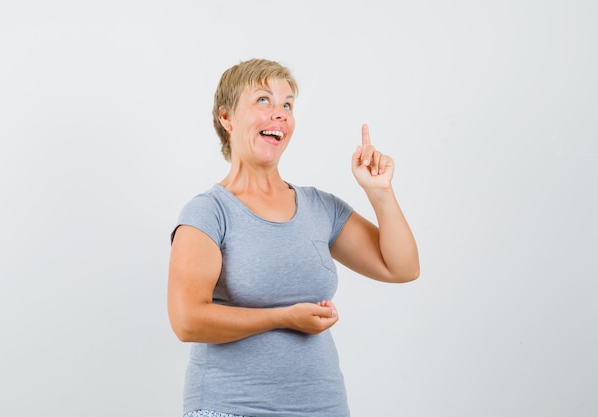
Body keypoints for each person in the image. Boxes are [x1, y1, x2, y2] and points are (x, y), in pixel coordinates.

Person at [167, 58, 420, 417]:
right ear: (226, 118)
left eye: (287, 104)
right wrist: (284, 317)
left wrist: (380, 193)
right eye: (263, 101)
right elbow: (187, 320)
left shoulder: (320, 208)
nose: (280, 113)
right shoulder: (209, 212)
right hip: (232, 408)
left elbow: (402, 268)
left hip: (323, 408)